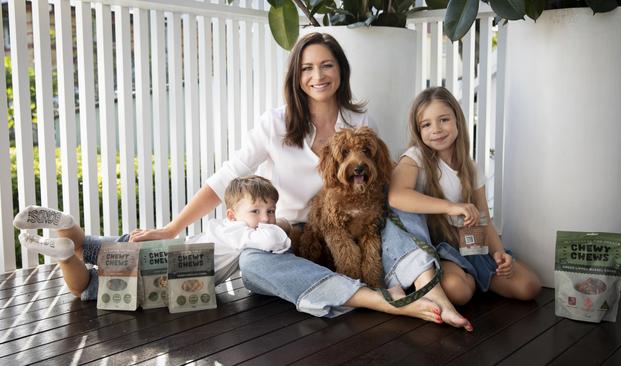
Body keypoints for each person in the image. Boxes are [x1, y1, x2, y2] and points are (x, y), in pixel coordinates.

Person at [127, 33, 473, 330]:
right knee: (251, 262)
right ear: (296, 75)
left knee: (395, 197)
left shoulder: (358, 120)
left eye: (327, 65)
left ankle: (431, 291)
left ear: (341, 70)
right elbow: (226, 178)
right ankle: (377, 299)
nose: (318, 75)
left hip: (355, 229)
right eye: (307, 68)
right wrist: (173, 229)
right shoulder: (274, 124)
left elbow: (378, 175)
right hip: (293, 236)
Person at [13, 175, 290, 301]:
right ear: (232, 215)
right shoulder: (246, 234)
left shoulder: (222, 226)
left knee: (84, 246)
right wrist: (284, 226)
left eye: (271, 210)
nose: (265, 218)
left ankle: (65, 223)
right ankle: (62, 255)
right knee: (83, 287)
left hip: (158, 249)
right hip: (160, 274)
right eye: (256, 211)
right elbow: (272, 240)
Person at [387, 86, 541, 305]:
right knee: (458, 291)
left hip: (472, 245)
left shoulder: (471, 167)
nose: (436, 129)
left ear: (458, 121)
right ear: (418, 130)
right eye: (426, 124)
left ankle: (476, 276)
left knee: (529, 286)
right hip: (442, 250)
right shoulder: (415, 157)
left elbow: (483, 217)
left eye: (444, 120)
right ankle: (463, 279)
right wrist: (450, 207)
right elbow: (396, 196)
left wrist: (498, 253)